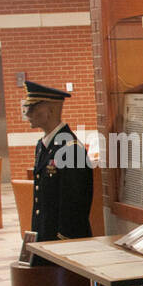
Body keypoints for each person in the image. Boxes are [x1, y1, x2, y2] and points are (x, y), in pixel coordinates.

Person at [24, 79, 91, 246]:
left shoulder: (70, 149)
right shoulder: (43, 145)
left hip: (63, 243)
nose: (28, 114)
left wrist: (63, 241)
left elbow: (75, 203)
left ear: (50, 110)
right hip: (45, 237)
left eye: (33, 108)